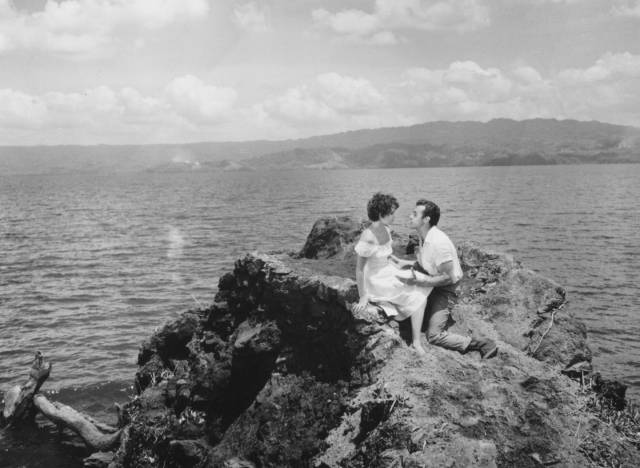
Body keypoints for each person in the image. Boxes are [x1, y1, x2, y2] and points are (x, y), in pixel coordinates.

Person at [394, 199, 498, 359]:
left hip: (446, 289)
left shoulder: (438, 242)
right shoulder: (424, 236)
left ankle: (481, 344)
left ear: (426, 219)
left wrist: (420, 282)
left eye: (414, 214)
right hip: (432, 282)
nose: (410, 216)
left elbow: (448, 277)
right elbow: (427, 263)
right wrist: (405, 263)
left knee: (434, 336)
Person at [352, 193, 432, 355]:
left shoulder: (386, 229)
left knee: (421, 280)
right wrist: (363, 296)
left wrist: (398, 263)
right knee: (417, 296)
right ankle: (416, 342)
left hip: (387, 270)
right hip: (375, 279)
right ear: (381, 215)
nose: (394, 216)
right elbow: (360, 269)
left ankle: (411, 327)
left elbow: (386, 254)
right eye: (391, 213)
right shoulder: (368, 236)